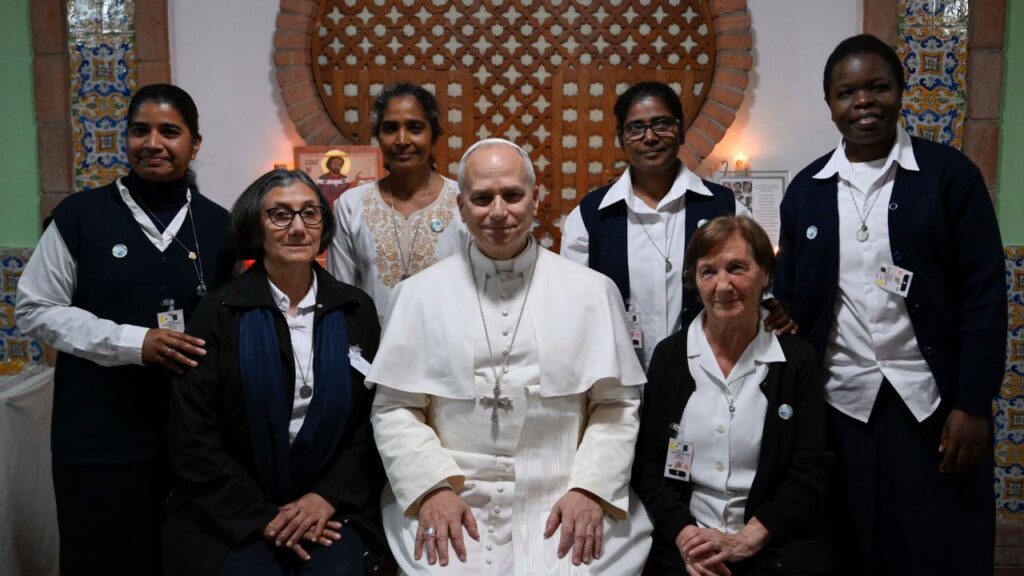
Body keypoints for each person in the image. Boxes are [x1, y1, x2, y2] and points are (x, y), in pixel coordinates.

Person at [774, 34, 1005, 575]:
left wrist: (972, 405)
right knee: (852, 544)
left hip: (932, 404)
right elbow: (792, 293)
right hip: (841, 405)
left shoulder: (948, 177)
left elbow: (985, 296)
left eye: (878, 87)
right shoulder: (808, 189)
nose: (863, 102)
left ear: (901, 91)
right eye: (846, 92)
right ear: (828, 102)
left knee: (938, 545)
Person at [369, 138, 652, 574]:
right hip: (454, 495)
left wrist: (591, 489)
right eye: (481, 199)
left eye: (512, 195)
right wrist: (431, 489)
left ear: (535, 200)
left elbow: (616, 405)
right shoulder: (416, 295)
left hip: (563, 491)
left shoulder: (593, 292)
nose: (497, 212)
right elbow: (395, 408)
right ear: (460, 208)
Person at [15, 83, 236, 575]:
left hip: (193, 444)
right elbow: (34, 308)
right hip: (98, 439)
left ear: (194, 144)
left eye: (170, 131)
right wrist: (134, 342)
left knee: (185, 561)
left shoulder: (219, 226)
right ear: (126, 138)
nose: (153, 143)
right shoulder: (80, 217)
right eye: (140, 130)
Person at [163, 169, 385, 575]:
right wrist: (259, 515)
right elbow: (192, 433)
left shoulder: (355, 309)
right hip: (234, 507)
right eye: (280, 215)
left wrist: (327, 497)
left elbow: (371, 422)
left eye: (310, 214)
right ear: (255, 227)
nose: (298, 227)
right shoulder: (220, 312)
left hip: (331, 503)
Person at [633, 216, 831, 576]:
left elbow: (811, 469)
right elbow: (648, 466)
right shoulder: (670, 358)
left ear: (766, 275)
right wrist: (686, 536)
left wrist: (747, 540)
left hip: (774, 545)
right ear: (694, 280)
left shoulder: (796, 360)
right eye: (708, 272)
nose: (723, 285)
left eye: (737, 268)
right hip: (684, 546)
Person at [561, 82, 791, 370]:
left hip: (709, 373)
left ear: (681, 131)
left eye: (661, 124)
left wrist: (772, 305)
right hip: (616, 376)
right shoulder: (591, 215)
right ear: (621, 139)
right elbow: (573, 303)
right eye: (635, 128)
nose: (649, 137)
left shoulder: (725, 208)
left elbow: (756, 282)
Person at [329, 83, 468, 320]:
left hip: (447, 349)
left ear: (433, 137)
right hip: (373, 352)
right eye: (390, 128)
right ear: (379, 138)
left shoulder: (462, 203)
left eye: (415, 128)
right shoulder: (351, 206)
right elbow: (340, 295)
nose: (402, 140)